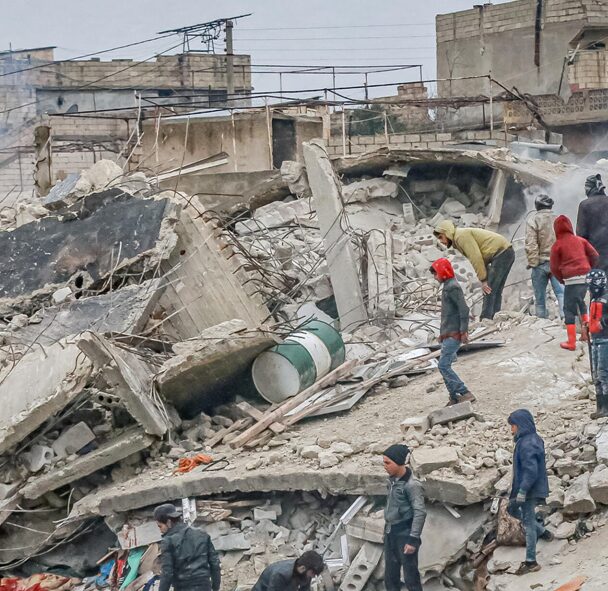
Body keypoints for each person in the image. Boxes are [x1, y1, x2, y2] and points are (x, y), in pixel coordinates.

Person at [434, 220, 514, 320]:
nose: (441, 241)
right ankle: (496, 317)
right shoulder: (459, 237)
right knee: (495, 290)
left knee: (488, 289)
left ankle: (486, 319)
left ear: (447, 232)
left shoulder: (461, 236)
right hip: (506, 252)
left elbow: (475, 257)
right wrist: (485, 275)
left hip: (501, 254)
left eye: (441, 237)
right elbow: (481, 256)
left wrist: (484, 280)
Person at [507, 409, 552, 576]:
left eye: (513, 425)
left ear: (521, 425)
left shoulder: (527, 443)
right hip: (527, 489)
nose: (512, 429)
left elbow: (531, 471)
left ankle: (531, 561)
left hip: (529, 490)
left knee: (528, 522)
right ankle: (544, 532)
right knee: (512, 509)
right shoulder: (529, 440)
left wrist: (523, 490)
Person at [550, 215, 599, 350]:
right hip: (586, 277)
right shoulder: (581, 240)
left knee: (568, 309)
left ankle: (571, 342)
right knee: (581, 303)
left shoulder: (557, 245)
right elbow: (595, 255)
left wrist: (562, 279)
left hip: (571, 280)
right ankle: (586, 334)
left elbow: (553, 267)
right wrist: (589, 268)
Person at [430, 258, 475, 405]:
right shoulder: (448, 286)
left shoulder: (452, 287)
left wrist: (463, 331)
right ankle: (454, 397)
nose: (435, 277)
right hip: (448, 334)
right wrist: (442, 334)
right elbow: (448, 314)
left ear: (443, 272)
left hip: (454, 334)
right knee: (444, 366)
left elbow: (464, 309)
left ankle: (464, 392)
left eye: (436, 274)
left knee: (443, 365)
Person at [382, 444, 426, 591]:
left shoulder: (412, 485)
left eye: (388, 463)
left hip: (405, 534)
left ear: (399, 462)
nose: (384, 466)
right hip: (390, 533)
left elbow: (420, 512)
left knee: (410, 577)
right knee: (390, 575)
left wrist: (413, 539)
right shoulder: (392, 481)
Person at [154, 503, 221, 591]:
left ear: (169, 522)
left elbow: (167, 573)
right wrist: (215, 588)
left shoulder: (168, 541)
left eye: (160, 526)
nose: (160, 530)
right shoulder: (202, 534)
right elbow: (215, 564)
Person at [524, 194, 564, 319]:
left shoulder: (533, 220)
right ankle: (567, 321)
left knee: (540, 297)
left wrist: (533, 262)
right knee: (561, 293)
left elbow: (531, 244)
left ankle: (541, 322)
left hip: (540, 264)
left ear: (537, 206)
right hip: (557, 263)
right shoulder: (558, 219)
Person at [587, 269, 608, 418]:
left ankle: (606, 407)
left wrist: (604, 322)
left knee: (603, 373)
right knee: (596, 375)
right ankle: (600, 407)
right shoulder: (594, 299)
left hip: (605, 339)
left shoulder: (606, 298)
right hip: (594, 339)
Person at [577, 173, 608, 272]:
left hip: (596, 255)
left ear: (589, 188)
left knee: (599, 285)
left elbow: (581, 235)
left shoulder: (585, 205)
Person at [251, 551, 324, 591]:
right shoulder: (280, 574)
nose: (313, 576)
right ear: (302, 568)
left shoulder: (307, 573)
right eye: (313, 573)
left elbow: (305, 589)